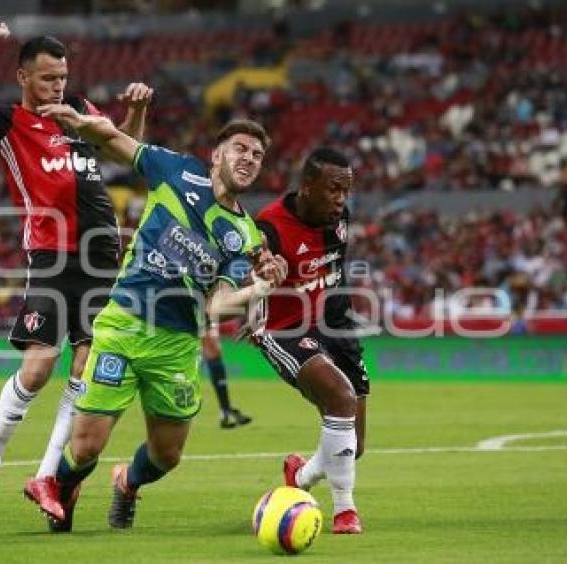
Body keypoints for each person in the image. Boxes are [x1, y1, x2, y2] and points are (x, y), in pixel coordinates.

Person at [33, 103, 287, 532]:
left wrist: (258, 291)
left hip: (177, 343)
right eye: (240, 149)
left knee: (167, 455)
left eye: (257, 156)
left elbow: (217, 304)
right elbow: (117, 142)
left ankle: (127, 483)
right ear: (217, 155)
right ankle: (63, 488)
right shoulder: (176, 170)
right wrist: (82, 124)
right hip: (123, 322)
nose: (248, 159)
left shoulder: (244, 234)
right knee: (86, 445)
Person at [0, 20, 153, 515]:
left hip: (102, 259)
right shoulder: (9, 123)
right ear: (24, 78)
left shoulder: (79, 112)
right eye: (49, 78)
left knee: (85, 365)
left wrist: (135, 112)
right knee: (37, 367)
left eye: (63, 76)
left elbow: (124, 149)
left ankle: (47, 477)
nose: (59, 86)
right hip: (52, 257)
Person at [251, 147, 368, 534]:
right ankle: (344, 511)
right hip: (284, 330)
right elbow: (242, 276)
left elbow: (335, 277)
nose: (341, 200)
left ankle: (299, 477)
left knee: (354, 443)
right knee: (340, 397)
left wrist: (344, 335)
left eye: (346, 192)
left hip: (333, 325)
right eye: (334, 190)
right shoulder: (268, 226)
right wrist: (248, 309)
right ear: (308, 186)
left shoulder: (339, 221)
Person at [202, 329, 251, 428]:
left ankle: (227, 412)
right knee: (221, 389)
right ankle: (226, 412)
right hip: (213, 363)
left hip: (216, 362)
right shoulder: (203, 329)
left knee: (222, 390)